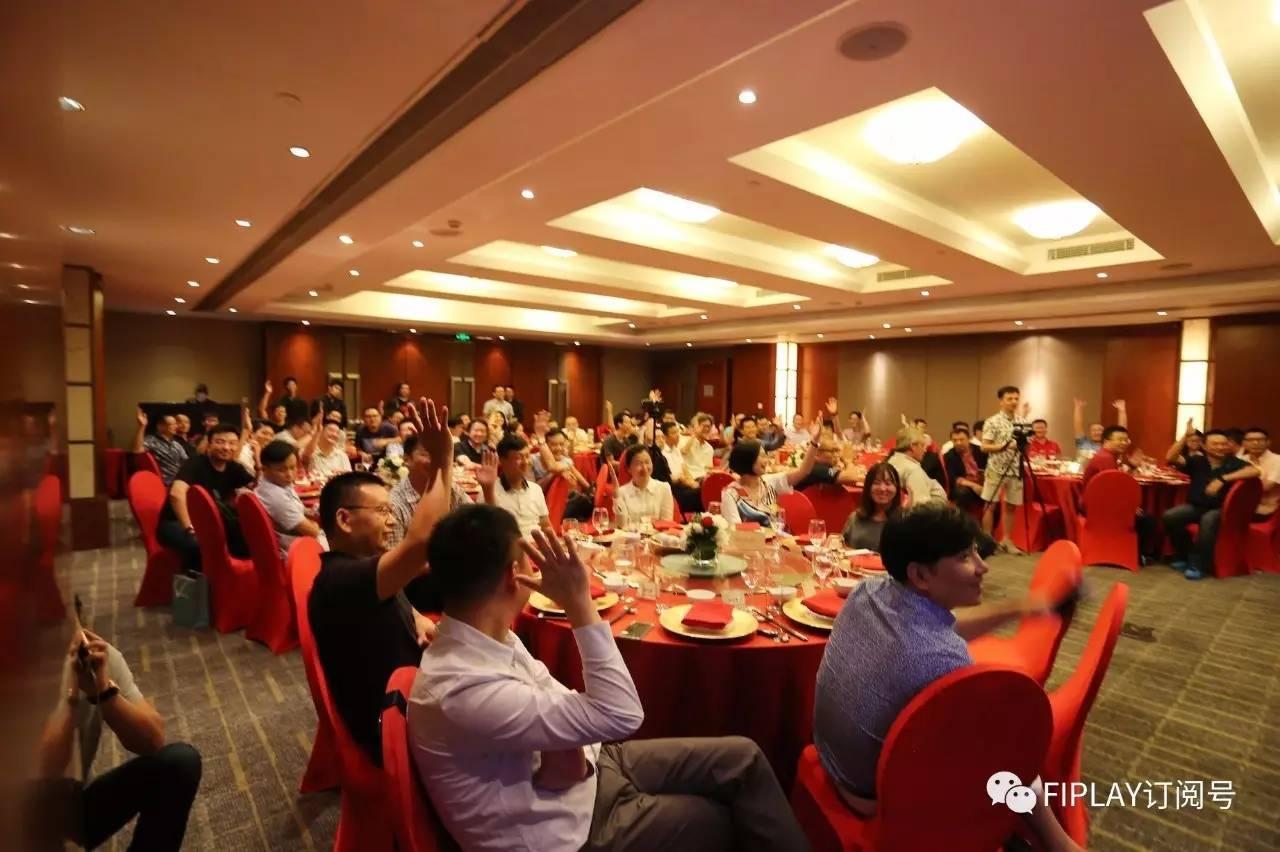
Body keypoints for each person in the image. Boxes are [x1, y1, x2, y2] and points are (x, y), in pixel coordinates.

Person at [408, 514, 808, 852]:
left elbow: (566, 705)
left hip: (594, 766)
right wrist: (578, 601)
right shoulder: (462, 688)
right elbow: (620, 713)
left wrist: (571, 751)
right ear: (515, 576)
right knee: (720, 820)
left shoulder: (485, 639)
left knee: (743, 758)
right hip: (563, 829)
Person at [813, 504, 1082, 851]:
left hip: (831, 757)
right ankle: (1057, 842)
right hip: (870, 794)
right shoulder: (944, 660)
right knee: (1004, 742)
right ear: (920, 575)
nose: (983, 567)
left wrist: (1020, 608)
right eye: (964, 557)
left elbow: (941, 629)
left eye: (975, 551)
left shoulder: (870, 591)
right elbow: (985, 743)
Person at [307, 400, 453, 765]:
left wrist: (416, 618)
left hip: (410, 692)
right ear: (344, 520)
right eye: (383, 511)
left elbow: (397, 597)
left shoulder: (365, 567)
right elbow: (421, 543)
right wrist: (444, 460)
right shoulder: (341, 579)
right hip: (393, 728)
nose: (392, 521)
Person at [38, 624, 201, 851]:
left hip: (71, 803)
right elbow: (46, 769)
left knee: (180, 763)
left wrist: (104, 691)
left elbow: (153, 740)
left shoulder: (93, 653)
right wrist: (69, 697)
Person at [155, 423, 255, 572]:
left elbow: (255, 486)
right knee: (202, 546)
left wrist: (258, 460)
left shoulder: (233, 467)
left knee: (243, 538)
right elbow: (176, 494)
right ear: (209, 444)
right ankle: (193, 582)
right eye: (220, 442)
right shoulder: (196, 464)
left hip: (207, 523)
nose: (226, 447)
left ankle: (234, 579)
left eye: (232, 443)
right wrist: (189, 528)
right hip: (176, 522)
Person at [1161, 429, 1260, 580]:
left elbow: (1255, 471)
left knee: (1208, 520)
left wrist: (1223, 479)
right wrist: (1185, 437)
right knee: (1170, 516)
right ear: (1204, 446)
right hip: (1197, 506)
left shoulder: (1234, 463)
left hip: (1222, 509)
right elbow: (1171, 457)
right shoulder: (1197, 461)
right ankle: (1184, 553)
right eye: (1215, 444)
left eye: (1223, 444)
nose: (1220, 447)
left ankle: (1198, 564)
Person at [388, 432, 491, 550]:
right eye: (426, 454)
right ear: (407, 459)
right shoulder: (395, 503)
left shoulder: (451, 488)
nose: (435, 460)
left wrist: (488, 489)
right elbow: (393, 556)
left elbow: (481, 523)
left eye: (439, 454)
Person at [1080, 426, 1157, 560]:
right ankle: (1136, 555)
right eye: (1119, 439)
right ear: (1106, 441)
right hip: (1098, 509)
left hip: (1099, 505)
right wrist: (1130, 507)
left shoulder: (1108, 456)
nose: (1124, 443)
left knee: (1143, 515)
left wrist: (1132, 467)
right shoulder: (1105, 458)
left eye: (1126, 440)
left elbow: (1114, 484)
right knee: (1147, 520)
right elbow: (1112, 490)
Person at [720, 440, 817, 527]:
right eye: (762, 456)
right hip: (748, 540)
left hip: (775, 538)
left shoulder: (768, 482)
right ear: (748, 459)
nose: (766, 460)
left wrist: (814, 442)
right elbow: (735, 531)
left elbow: (803, 471)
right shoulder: (731, 494)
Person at [255, 441, 326, 558]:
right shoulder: (276, 496)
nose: (289, 474)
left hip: (294, 540)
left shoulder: (275, 483)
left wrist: (311, 512)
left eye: (293, 467)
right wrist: (316, 525)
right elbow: (312, 532)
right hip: (294, 550)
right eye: (281, 470)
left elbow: (299, 509)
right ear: (265, 469)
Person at [980, 386, 1028, 554]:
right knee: (990, 505)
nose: (1014, 402)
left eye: (1016, 399)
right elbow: (984, 447)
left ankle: (1007, 540)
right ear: (1001, 401)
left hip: (1016, 469)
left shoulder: (1022, 422)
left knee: (1011, 506)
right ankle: (987, 541)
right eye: (1010, 399)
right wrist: (1006, 446)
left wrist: (1024, 446)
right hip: (996, 468)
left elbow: (1026, 446)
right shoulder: (992, 421)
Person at [487, 434, 553, 538]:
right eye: (519, 458)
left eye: (527, 456)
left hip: (537, 545)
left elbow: (546, 526)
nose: (526, 462)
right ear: (502, 460)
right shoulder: (489, 492)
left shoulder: (536, 489)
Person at [842, 462, 901, 550]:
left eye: (888, 483)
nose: (882, 488)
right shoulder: (856, 517)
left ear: (897, 488)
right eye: (876, 483)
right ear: (868, 487)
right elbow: (842, 547)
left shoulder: (903, 521)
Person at [887, 425, 948, 509]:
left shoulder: (892, 460)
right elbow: (921, 507)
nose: (925, 450)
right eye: (922, 445)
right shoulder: (913, 470)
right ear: (913, 446)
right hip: (933, 512)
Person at [614, 445, 674, 524]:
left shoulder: (664, 488)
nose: (644, 468)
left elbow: (666, 523)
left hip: (657, 532)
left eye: (647, 462)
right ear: (629, 469)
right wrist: (617, 498)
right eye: (638, 464)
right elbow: (621, 525)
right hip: (631, 532)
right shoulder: (622, 492)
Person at [131, 408, 189, 486]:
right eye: (171, 424)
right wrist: (142, 427)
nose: (176, 427)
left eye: (176, 424)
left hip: (180, 481)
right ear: (160, 426)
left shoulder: (176, 444)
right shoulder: (152, 440)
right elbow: (137, 450)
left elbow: (187, 462)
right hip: (165, 482)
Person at [943, 427, 986, 512]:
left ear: (969, 439)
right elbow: (954, 478)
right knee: (962, 492)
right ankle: (963, 517)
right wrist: (973, 486)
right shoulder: (949, 456)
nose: (958, 443)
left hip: (983, 482)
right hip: (966, 486)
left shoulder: (980, 451)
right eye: (955, 440)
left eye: (961, 439)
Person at [1242, 427, 1280, 519]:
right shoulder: (1241, 460)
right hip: (1244, 507)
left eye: (1260, 440)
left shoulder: (1277, 460)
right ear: (1244, 444)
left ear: (1268, 443)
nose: (1255, 443)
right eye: (1250, 440)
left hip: (1269, 510)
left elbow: (1265, 487)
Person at [302, 416, 353, 482]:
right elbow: (306, 455)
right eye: (331, 430)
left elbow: (350, 478)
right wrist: (317, 432)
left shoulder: (342, 455)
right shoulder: (312, 452)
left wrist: (343, 474)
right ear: (321, 431)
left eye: (337, 432)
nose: (334, 434)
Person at [680, 413, 715, 485]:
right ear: (696, 426)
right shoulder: (685, 440)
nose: (707, 429)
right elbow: (683, 451)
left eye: (709, 427)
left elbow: (709, 467)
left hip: (704, 478)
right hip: (690, 478)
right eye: (704, 426)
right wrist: (695, 434)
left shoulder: (709, 448)